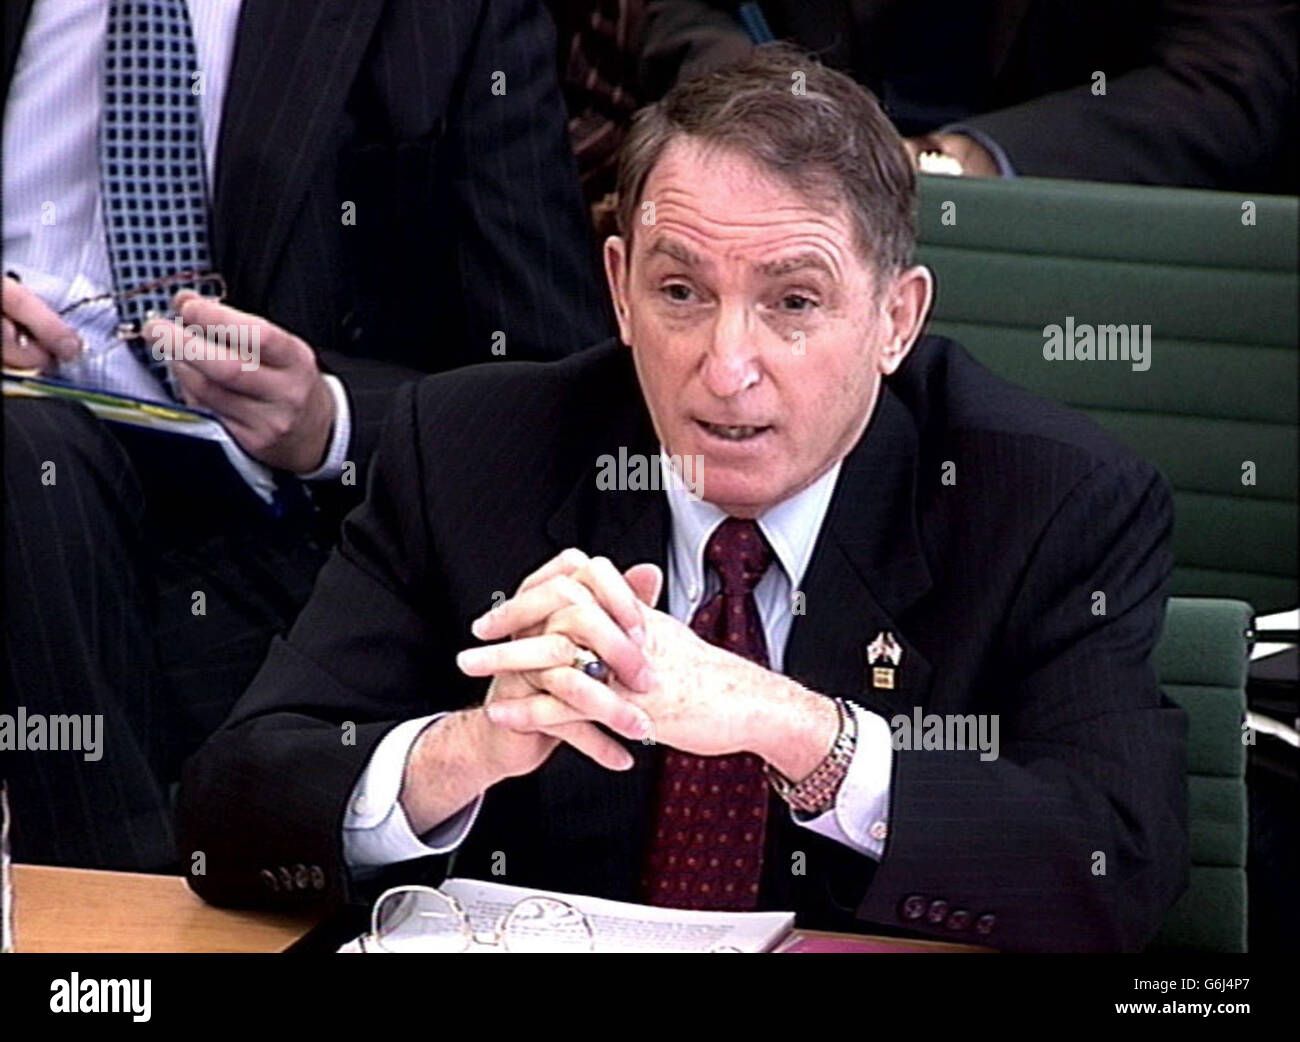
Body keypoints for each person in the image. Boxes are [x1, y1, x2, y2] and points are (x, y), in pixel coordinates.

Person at [178, 45, 1188, 951]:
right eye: (680, 293)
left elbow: (1119, 871)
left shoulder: (1049, 497)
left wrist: (802, 733)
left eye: (793, 302)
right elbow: (224, 821)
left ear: (895, 318)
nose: (725, 366)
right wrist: (464, 751)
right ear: (618, 288)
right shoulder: (468, 450)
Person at [2, 0, 608, 871]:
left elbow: (555, 382)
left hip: (285, 522)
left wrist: (330, 417)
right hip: (35, 466)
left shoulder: (446, 20)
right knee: (27, 457)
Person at [637, 0, 1298, 193]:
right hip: (795, 199)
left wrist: (954, 161)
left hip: (1068, 254)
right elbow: (691, 13)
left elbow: (1229, 84)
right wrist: (779, 113)